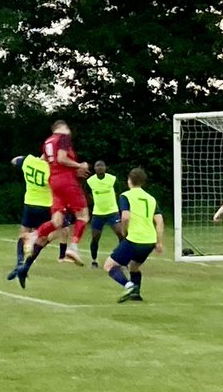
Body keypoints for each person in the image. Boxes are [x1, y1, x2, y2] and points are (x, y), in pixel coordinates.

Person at [11, 121, 90, 287]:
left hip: (34, 200)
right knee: (80, 217)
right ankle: (72, 248)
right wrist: (79, 166)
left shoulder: (43, 147)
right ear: (62, 128)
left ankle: (22, 263)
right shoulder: (64, 138)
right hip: (50, 197)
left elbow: (16, 160)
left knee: (55, 223)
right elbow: (62, 160)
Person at [104, 168, 163, 302]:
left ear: (129, 180)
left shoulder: (126, 196)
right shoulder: (151, 198)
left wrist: (124, 231)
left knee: (109, 265)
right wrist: (159, 242)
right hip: (149, 241)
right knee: (134, 266)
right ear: (143, 182)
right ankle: (136, 295)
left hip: (135, 239)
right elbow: (159, 221)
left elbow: (125, 217)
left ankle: (129, 286)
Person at [86, 160, 125, 267]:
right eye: (97, 166)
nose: (99, 168)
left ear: (105, 167)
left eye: (101, 166)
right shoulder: (90, 181)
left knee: (121, 234)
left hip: (112, 212)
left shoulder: (112, 179)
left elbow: (119, 192)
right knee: (95, 238)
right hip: (98, 214)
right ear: (94, 169)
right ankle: (94, 260)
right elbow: (88, 194)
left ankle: (122, 260)